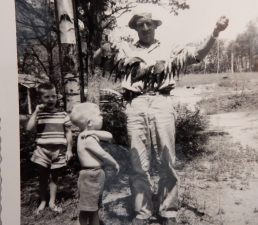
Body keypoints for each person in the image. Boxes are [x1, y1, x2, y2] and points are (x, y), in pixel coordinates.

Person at [94, 12, 229, 225]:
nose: (145, 28)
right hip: (135, 104)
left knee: (167, 158)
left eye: (149, 24)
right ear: (135, 28)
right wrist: (103, 48)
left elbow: (198, 55)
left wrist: (215, 32)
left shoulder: (170, 48)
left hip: (162, 102)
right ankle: (142, 212)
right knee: (138, 160)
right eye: (140, 25)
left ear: (155, 26)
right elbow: (99, 62)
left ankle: (168, 210)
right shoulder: (126, 50)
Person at [26, 82, 73, 214]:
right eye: (47, 97)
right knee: (42, 177)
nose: (51, 99)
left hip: (58, 151)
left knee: (54, 178)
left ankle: (52, 202)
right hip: (42, 151)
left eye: (53, 96)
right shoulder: (39, 114)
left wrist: (69, 149)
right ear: (40, 99)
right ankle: (43, 201)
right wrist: (35, 111)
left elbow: (68, 132)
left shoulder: (63, 115)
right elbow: (29, 128)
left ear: (57, 97)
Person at [70, 102, 120, 225]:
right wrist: (115, 163)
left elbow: (109, 136)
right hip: (90, 176)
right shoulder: (87, 139)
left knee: (93, 206)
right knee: (88, 207)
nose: (102, 117)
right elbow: (103, 154)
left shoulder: (90, 135)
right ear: (90, 123)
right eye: (99, 115)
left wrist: (94, 132)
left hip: (95, 174)